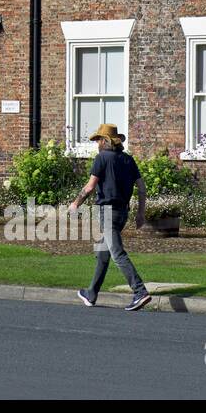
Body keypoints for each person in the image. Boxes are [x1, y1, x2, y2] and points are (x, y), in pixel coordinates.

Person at [68, 123, 150, 311]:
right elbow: (142, 188)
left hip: (106, 212)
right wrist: (140, 213)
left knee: (117, 254)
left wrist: (75, 204)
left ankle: (140, 292)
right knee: (102, 254)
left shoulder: (102, 158)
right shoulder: (128, 160)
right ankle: (91, 293)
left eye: (98, 139)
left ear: (105, 141)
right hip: (122, 213)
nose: (96, 143)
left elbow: (89, 187)